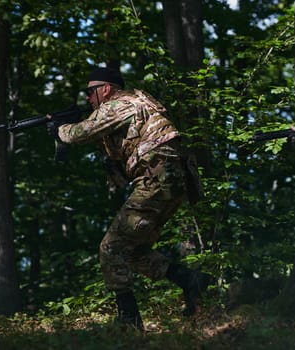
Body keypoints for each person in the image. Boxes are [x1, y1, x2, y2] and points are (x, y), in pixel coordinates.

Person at [50, 67, 212, 329]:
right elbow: (118, 164)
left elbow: (78, 133)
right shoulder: (137, 104)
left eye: (90, 92)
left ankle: (129, 322)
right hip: (167, 181)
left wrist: (60, 129)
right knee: (132, 250)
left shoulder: (121, 103)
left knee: (110, 247)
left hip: (158, 179)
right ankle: (190, 281)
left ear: (106, 89)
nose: (88, 99)